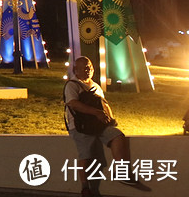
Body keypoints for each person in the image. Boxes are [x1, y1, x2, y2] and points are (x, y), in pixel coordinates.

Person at [64, 56, 150, 194]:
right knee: (86, 154)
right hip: (80, 126)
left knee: (117, 136)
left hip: (98, 124)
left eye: (90, 67)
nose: (88, 70)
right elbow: (73, 103)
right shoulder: (72, 85)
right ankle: (85, 187)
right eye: (84, 68)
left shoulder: (96, 86)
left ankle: (121, 172)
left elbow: (104, 104)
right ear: (76, 70)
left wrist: (110, 118)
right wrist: (96, 112)